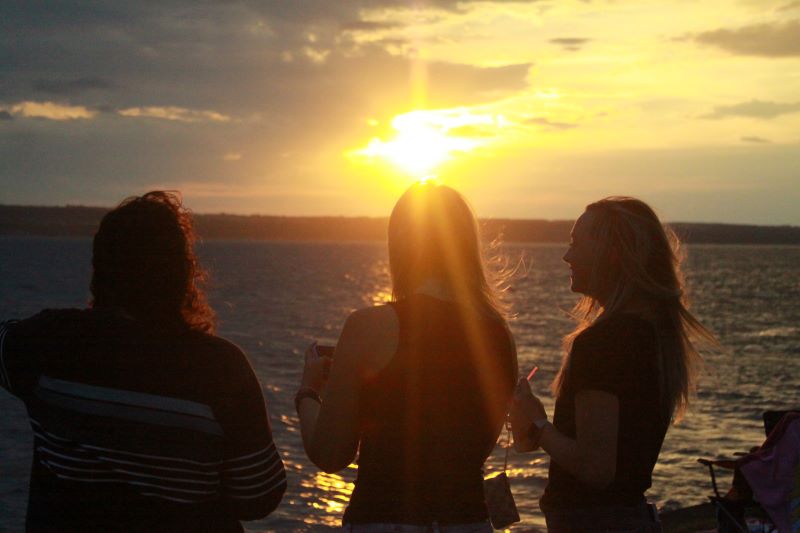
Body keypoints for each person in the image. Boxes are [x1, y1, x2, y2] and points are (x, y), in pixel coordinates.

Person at [0, 192, 286, 532]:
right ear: (182, 273)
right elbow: (258, 495)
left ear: (101, 268)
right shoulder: (220, 368)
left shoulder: (49, 342)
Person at [295, 183, 517, 532]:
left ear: (399, 243)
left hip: (385, 520)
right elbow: (478, 448)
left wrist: (309, 392)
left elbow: (330, 454)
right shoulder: (498, 335)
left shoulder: (368, 326)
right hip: (469, 522)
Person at [510, 196, 717, 533]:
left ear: (612, 253)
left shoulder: (603, 342)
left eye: (577, 245)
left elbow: (595, 468)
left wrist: (537, 423)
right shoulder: (653, 334)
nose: (567, 256)